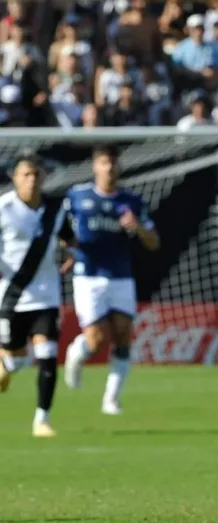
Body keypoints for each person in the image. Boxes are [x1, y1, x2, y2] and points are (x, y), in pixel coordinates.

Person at [63, 144, 160, 415]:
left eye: (113, 163)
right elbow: (60, 231)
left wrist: (138, 227)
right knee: (96, 340)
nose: (109, 168)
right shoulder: (77, 197)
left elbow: (154, 242)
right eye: (104, 163)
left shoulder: (131, 202)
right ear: (95, 166)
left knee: (123, 334)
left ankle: (111, 400)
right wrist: (67, 252)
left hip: (121, 276)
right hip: (88, 275)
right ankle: (76, 353)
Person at [0, 153, 73, 436]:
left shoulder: (56, 209)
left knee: (48, 354)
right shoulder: (4, 209)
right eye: (25, 175)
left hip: (46, 295)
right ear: (14, 178)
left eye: (36, 175)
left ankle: (42, 419)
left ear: (44, 178)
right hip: (11, 298)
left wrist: (72, 253)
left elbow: (69, 238)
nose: (31, 180)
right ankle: (6, 363)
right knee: (17, 359)